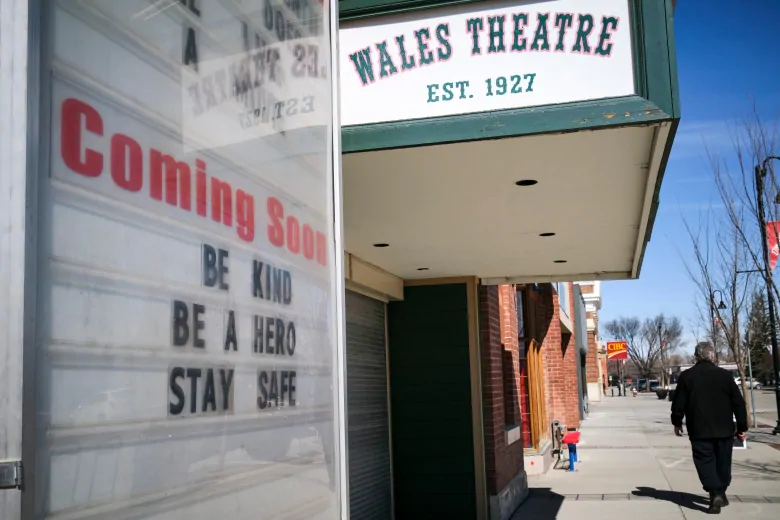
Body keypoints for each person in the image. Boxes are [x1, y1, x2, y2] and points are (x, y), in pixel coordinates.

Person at [671, 342, 748, 514]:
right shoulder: (725, 376)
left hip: (699, 429)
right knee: (723, 461)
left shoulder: (687, 376)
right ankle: (720, 491)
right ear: (712, 356)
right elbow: (739, 403)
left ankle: (715, 492)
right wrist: (742, 426)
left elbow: (679, 403)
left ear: (696, 356)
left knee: (704, 461)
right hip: (724, 429)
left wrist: (677, 421)